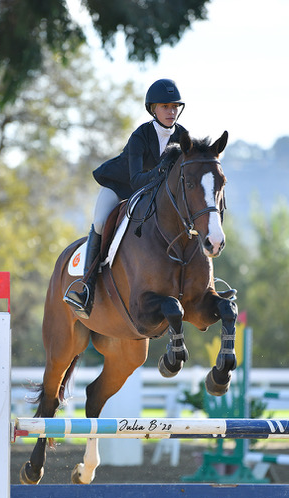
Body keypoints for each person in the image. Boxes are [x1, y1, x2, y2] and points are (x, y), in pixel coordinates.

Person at [64, 78, 187, 318]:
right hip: (122, 188)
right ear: (153, 108)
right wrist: (162, 170)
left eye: (174, 107)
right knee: (100, 222)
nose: (171, 111)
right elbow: (136, 180)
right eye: (165, 106)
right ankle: (86, 288)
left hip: (151, 197)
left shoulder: (183, 137)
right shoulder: (140, 135)